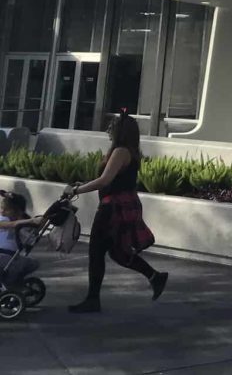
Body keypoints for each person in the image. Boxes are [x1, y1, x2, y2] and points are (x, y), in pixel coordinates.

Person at [67, 109, 167, 313]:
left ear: (120, 131)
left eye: (112, 127)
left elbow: (105, 180)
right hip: (121, 204)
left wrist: (76, 190)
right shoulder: (127, 150)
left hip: (113, 207)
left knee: (97, 251)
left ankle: (93, 299)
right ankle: (155, 276)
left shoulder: (121, 151)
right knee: (117, 251)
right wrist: (83, 185)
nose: (108, 130)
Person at [0, 191, 42, 288]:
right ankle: (9, 286)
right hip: (3, 255)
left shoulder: (21, 225)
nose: (2, 211)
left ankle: (14, 283)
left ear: (17, 211)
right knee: (18, 266)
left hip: (11, 257)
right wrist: (31, 220)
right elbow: (12, 224)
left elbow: (30, 237)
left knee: (32, 263)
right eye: (1, 208)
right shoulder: (3, 219)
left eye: (7, 210)